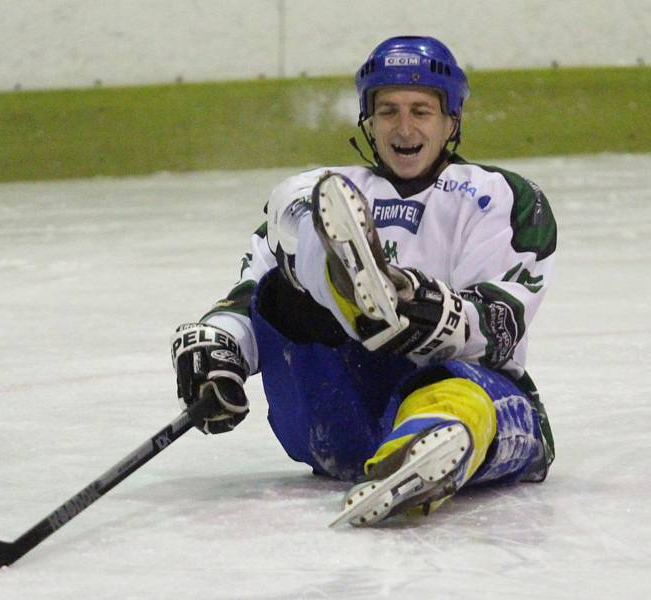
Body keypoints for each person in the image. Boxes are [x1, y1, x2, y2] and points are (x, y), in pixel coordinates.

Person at [170, 35, 556, 526]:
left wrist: (431, 312)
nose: (403, 126)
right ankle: (346, 287)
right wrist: (222, 349)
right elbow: (252, 299)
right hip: (337, 410)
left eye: (421, 110)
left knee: (457, 394)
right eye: (388, 110)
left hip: (466, 392)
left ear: (451, 120)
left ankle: (421, 449)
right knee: (292, 220)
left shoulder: (498, 197)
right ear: (367, 121)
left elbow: (500, 324)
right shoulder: (329, 193)